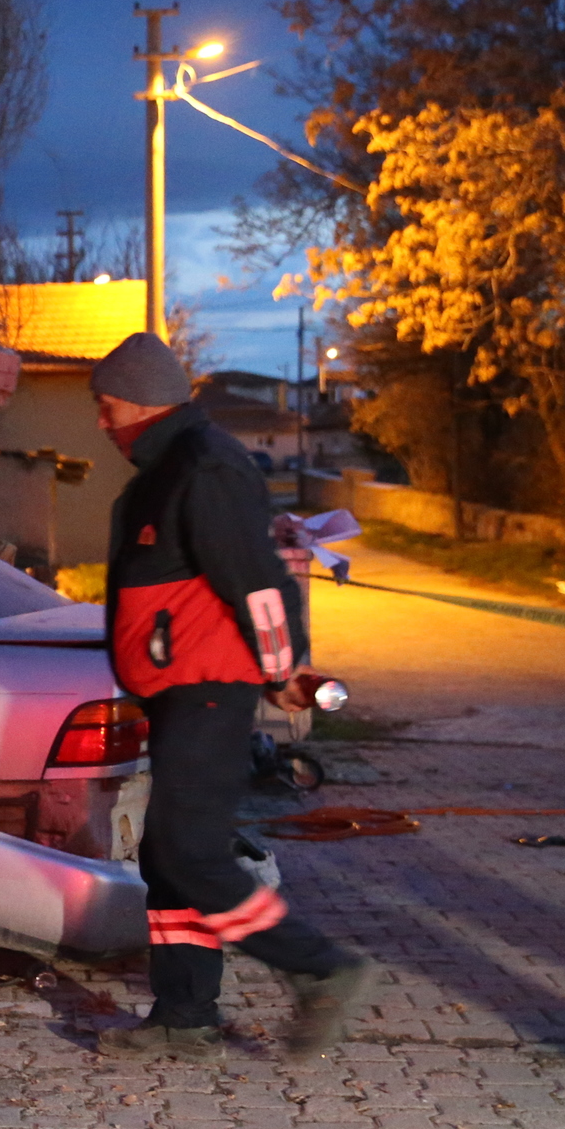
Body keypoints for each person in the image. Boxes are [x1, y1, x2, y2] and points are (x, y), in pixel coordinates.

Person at [88, 332, 374, 1061]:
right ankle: (185, 1015)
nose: (101, 421)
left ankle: (320, 968)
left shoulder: (204, 466)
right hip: (181, 692)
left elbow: (257, 583)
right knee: (169, 854)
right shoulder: (167, 468)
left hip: (210, 691)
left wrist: (284, 674)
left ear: (143, 401)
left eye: (107, 406)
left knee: (191, 851)